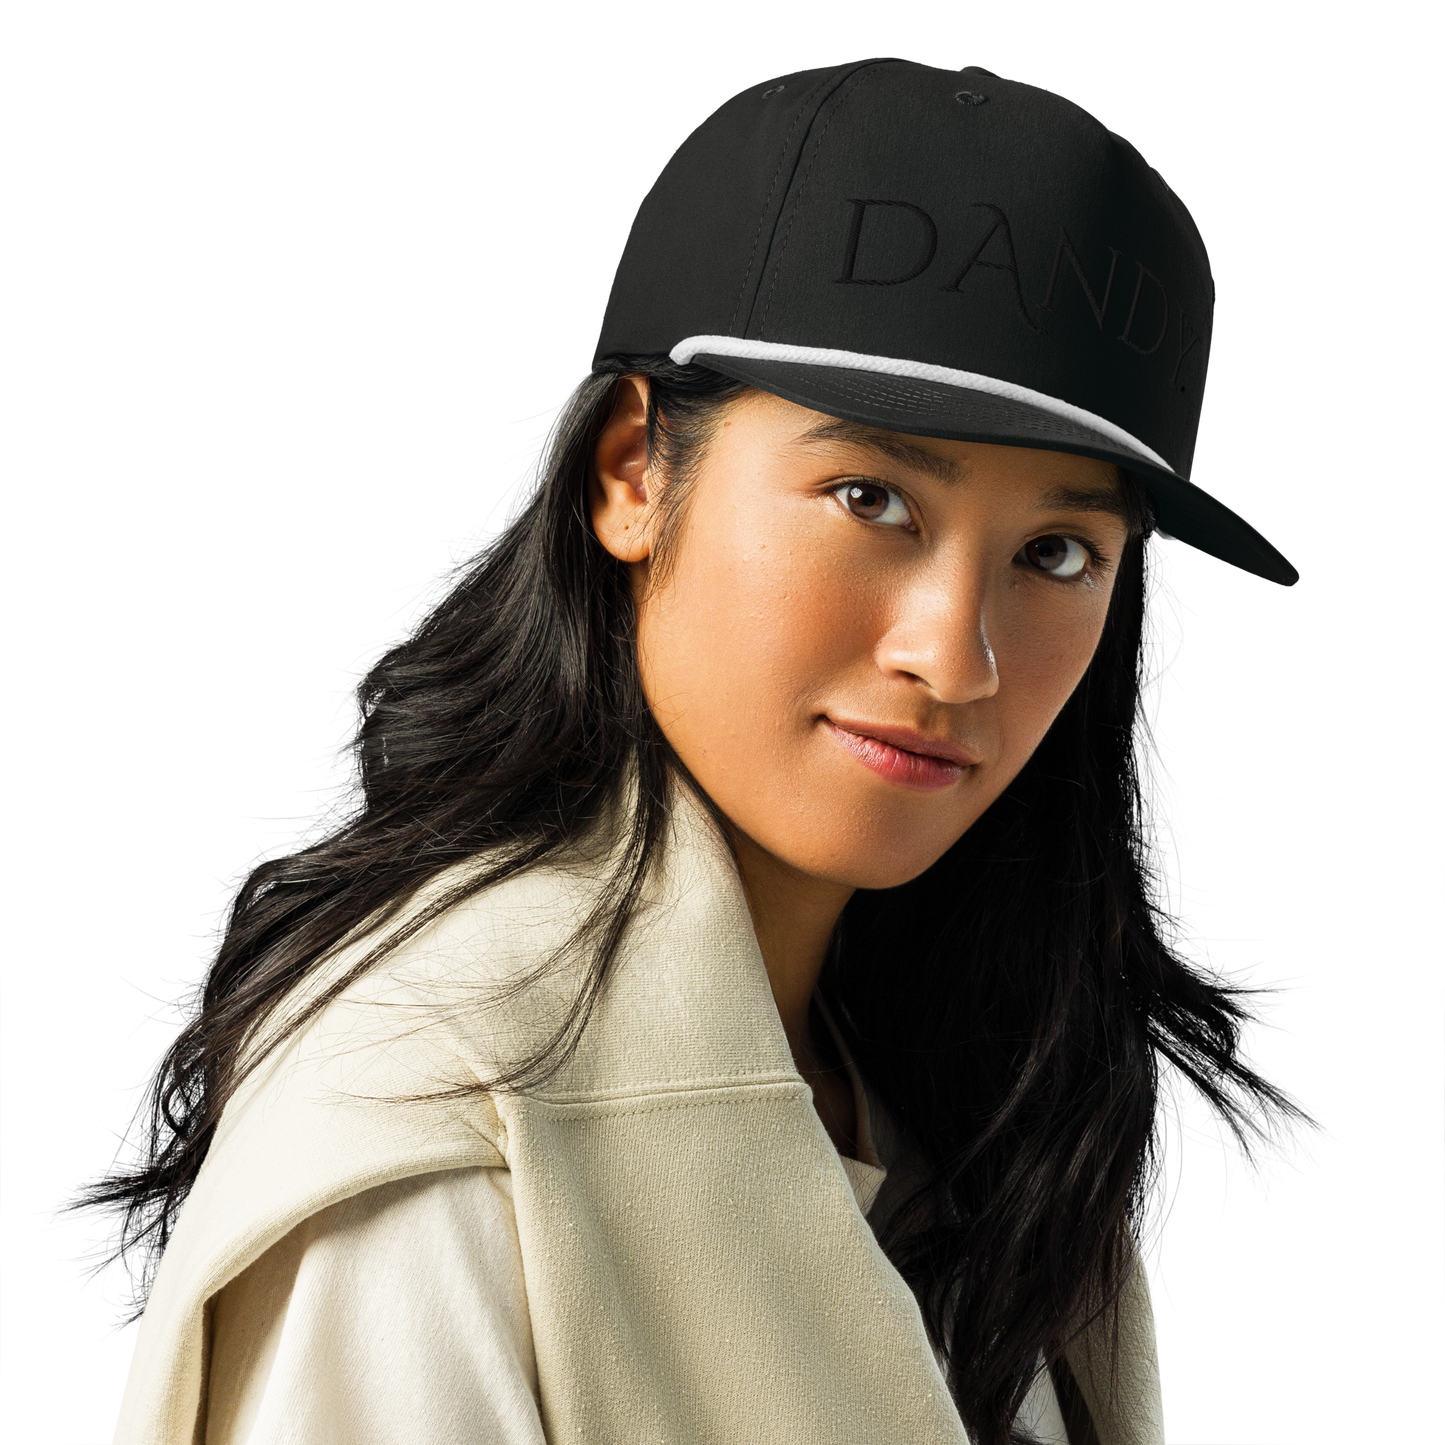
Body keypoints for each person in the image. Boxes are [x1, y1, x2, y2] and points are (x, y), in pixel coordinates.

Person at [21, 57, 1346, 1445]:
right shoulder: (449, 1132)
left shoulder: (975, 1112)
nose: (956, 659)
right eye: (870, 497)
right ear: (632, 473)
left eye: (1059, 552)